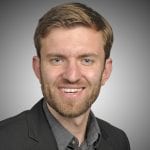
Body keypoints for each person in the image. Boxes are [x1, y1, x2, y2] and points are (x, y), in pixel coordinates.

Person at [0, 2, 130, 150]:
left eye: (86, 60)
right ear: (37, 68)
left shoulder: (118, 140)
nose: (72, 76)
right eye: (57, 60)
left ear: (106, 71)